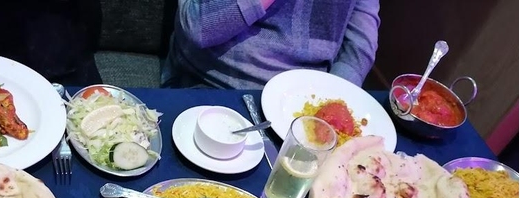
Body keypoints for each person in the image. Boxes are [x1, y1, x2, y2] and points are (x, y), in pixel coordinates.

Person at [162, 0, 380, 90]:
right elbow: (198, 26)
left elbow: (359, 45)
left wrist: (334, 101)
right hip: (212, 85)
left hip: (306, 102)